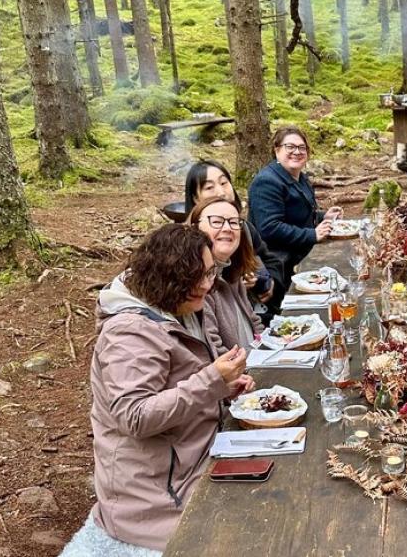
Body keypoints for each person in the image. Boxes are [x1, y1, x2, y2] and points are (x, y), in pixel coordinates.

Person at [85, 224, 254, 553]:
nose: (208, 284)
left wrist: (224, 388)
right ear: (169, 278)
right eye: (200, 277)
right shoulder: (129, 332)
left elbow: (182, 387)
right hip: (154, 494)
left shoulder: (183, 305)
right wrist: (211, 382)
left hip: (195, 454)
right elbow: (135, 417)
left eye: (210, 273)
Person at [247, 126, 342, 290]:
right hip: (278, 264)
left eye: (301, 147)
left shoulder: (298, 176)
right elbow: (269, 228)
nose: (297, 152)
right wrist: (312, 234)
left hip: (300, 255)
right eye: (290, 147)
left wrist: (322, 216)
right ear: (277, 150)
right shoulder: (267, 182)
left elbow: (297, 214)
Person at [184, 159, 282, 315]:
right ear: (195, 198)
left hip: (255, 315)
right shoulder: (187, 243)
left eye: (224, 183)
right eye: (209, 187)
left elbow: (271, 260)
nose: (221, 192)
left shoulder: (244, 228)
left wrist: (268, 282)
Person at [189, 196, 265, 354]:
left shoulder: (232, 272)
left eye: (233, 222)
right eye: (216, 221)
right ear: (195, 228)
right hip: (238, 374)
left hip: (257, 363)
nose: (227, 228)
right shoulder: (199, 284)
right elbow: (214, 350)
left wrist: (268, 347)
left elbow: (254, 323)